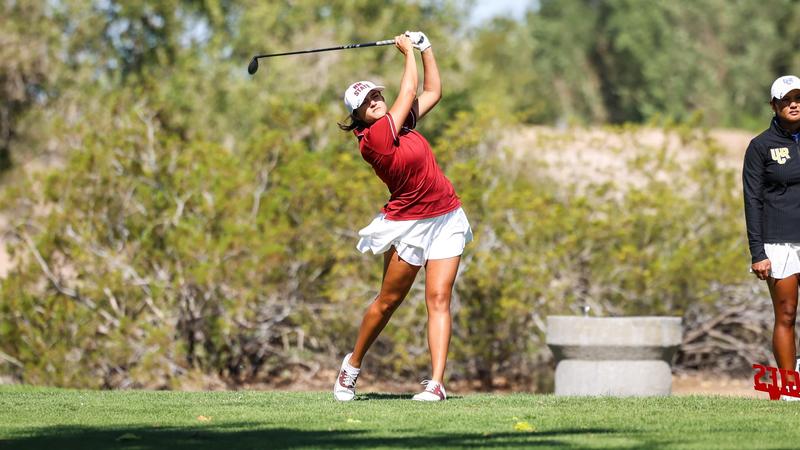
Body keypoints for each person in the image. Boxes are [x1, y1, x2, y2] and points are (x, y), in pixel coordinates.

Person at [333, 31, 472, 402]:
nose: (376, 101)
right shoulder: (375, 139)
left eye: (377, 95)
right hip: (409, 225)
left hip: (446, 217)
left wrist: (427, 50)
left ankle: (436, 384)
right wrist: (407, 52)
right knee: (387, 301)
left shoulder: (401, 125)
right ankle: (352, 367)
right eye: (368, 101)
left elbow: (432, 92)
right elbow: (409, 91)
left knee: (439, 298)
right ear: (358, 115)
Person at [743, 75, 800, 400]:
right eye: (786, 99)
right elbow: (752, 200)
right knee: (787, 314)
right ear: (774, 105)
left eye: (798, 98)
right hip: (778, 243)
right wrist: (757, 252)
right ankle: (790, 391)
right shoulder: (761, 146)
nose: (794, 104)